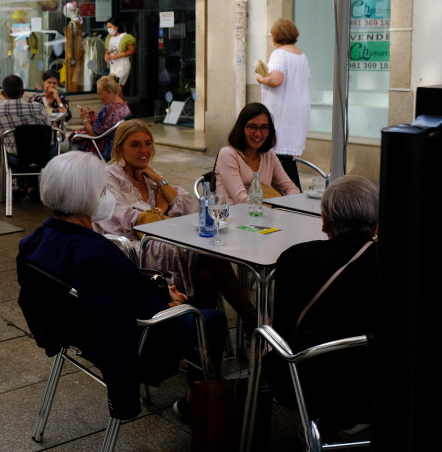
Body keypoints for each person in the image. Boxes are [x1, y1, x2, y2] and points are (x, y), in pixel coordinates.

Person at [18, 151, 226, 421]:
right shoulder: (95, 253)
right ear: (85, 197)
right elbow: (130, 313)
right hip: (140, 342)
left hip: (73, 332)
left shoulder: (35, 241)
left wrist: (160, 290)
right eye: (103, 190)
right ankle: (194, 404)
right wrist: (166, 303)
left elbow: (115, 290)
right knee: (212, 318)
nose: (107, 197)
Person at [94, 120, 256, 329]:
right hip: (132, 250)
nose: (144, 150)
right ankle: (249, 317)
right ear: (119, 149)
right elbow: (130, 220)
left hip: (161, 239)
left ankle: (203, 334)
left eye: (148, 143)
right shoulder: (110, 176)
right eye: (135, 145)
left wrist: (159, 178)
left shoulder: (147, 175)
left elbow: (187, 206)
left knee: (209, 270)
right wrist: (161, 209)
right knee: (208, 247)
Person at [266, 175, 378, 429]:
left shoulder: (294, 259)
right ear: (375, 226)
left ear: (325, 220)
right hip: (374, 387)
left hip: (304, 383)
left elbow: (283, 332)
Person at [257, 18, 311, 190]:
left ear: (275, 37)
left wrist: (260, 77)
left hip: (282, 111)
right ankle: (292, 194)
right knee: (286, 159)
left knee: (278, 158)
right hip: (297, 110)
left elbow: (276, 79)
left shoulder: (279, 54)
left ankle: (287, 197)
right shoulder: (300, 55)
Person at [215, 102, 300, 204]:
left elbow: (292, 188)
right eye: (252, 127)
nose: (258, 134)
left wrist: (284, 205)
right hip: (232, 216)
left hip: (263, 215)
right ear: (241, 128)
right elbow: (241, 199)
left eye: (264, 127)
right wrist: (274, 207)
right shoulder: (228, 155)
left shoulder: (269, 156)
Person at [0, 75, 51, 201]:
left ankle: (24, 186)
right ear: (23, 92)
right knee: (33, 148)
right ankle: (30, 186)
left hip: (15, 158)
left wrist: (4, 136)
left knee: (15, 150)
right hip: (42, 154)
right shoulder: (38, 107)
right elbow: (48, 131)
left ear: (2, 93)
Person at [72, 75, 131, 161]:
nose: (100, 98)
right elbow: (107, 124)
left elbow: (93, 134)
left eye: (100, 94)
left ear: (109, 91)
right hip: (117, 148)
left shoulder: (109, 109)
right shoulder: (125, 106)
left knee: (65, 147)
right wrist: (94, 116)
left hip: (104, 150)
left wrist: (84, 119)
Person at [104, 16, 136, 85]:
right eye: (108, 27)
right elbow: (108, 50)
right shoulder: (109, 37)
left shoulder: (125, 37)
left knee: (115, 85)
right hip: (113, 65)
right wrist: (106, 54)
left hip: (122, 65)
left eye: (110, 27)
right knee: (115, 87)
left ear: (116, 27)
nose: (109, 29)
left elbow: (132, 50)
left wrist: (120, 55)